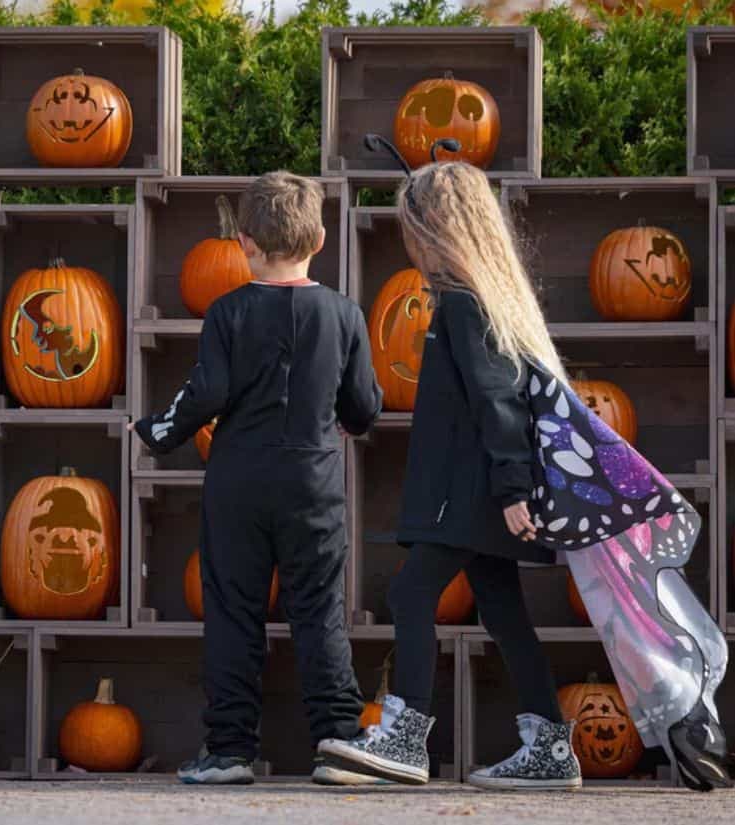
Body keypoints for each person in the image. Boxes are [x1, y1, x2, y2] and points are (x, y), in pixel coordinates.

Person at [318, 160, 582, 790]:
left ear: (436, 229)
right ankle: (549, 746)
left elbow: (498, 399)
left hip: (468, 490)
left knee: (411, 595)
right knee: (503, 609)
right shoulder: (487, 299)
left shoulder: (465, 306)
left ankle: (407, 738)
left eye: (413, 228)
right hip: (480, 486)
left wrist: (514, 487)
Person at [130, 171, 383, 785]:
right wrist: (345, 418)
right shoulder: (345, 314)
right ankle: (338, 742)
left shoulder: (226, 312)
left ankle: (229, 751)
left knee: (232, 612)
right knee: (319, 610)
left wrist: (158, 429)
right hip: (313, 481)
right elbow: (364, 406)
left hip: (238, 480)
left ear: (244, 243)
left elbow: (207, 391)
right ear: (319, 239)